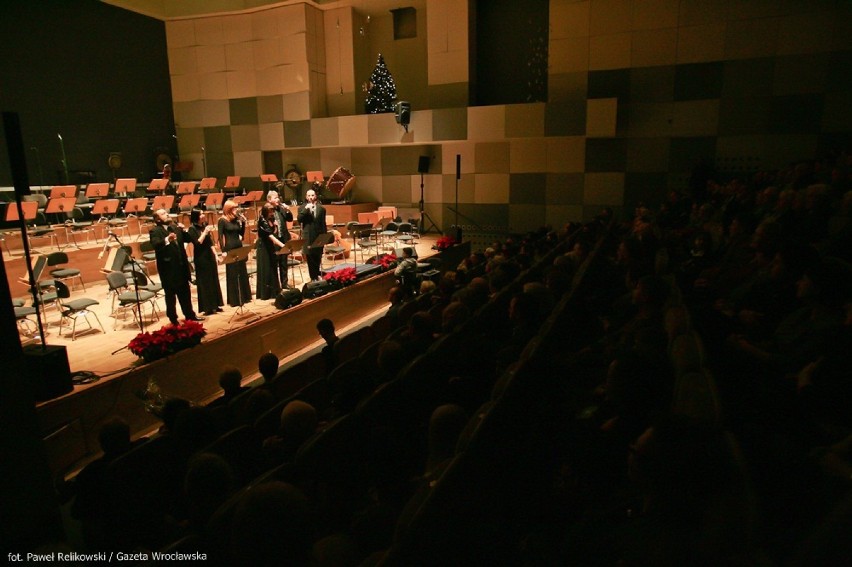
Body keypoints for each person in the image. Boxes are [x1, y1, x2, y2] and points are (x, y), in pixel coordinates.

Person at [149, 208, 204, 325]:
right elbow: (156, 245)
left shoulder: (174, 227)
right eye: (163, 214)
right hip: (168, 270)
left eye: (166, 212)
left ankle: (190, 315)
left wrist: (184, 230)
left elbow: (190, 239)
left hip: (181, 267)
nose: (167, 214)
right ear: (158, 219)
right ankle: (173, 319)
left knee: (185, 294)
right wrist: (167, 239)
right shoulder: (155, 231)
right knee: (171, 297)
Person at [188, 209, 223, 316]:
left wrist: (216, 255)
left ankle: (216, 305)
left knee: (213, 279)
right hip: (200, 257)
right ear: (197, 216)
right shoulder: (192, 229)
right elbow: (197, 243)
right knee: (205, 282)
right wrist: (205, 232)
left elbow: (210, 242)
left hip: (209, 255)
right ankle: (207, 307)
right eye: (201, 214)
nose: (204, 215)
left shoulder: (205, 225)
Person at [218, 199, 252, 307]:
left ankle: (244, 296)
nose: (236, 210)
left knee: (241, 271)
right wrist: (223, 251)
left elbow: (241, 233)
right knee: (233, 273)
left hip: (238, 246)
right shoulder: (222, 220)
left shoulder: (236, 219)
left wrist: (243, 222)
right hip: (230, 248)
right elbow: (220, 237)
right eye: (234, 208)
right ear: (228, 209)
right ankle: (235, 299)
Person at [256, 203, 287, 300]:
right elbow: (270, 236)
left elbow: (273, 232)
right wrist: (282, 245)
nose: (272, 213)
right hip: (263, 247)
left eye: (273, 211)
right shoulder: (262, 220)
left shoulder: (271, 219)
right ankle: (266, 293)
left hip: (270, 245)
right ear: (266, 212)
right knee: (266, 268)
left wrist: (276, 227)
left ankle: (274, 291)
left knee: (273, 267)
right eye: (270, 212)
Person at [297, 188, 327, 281]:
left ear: (315, 196)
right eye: (309, 195)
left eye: (312, 195)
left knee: (317, 256)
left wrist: (324, 238)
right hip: (308, 236)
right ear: (306, 197)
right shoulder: (302, 208)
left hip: (318, 236)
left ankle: (317, 273)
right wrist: (306, 209)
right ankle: (313, 277)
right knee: (310, 257)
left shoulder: (321, 209)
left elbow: (323, 223)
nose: (311, 197)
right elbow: (300, 219)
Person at [266, 190, 294, 286]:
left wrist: (287, 210)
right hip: (274, 240)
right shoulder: (267, 210)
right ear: (269, 200)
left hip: (283, 238)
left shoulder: (281, 208)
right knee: (274, 262)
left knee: (283, 262)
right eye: (275, 198)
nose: (278, 199)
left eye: (278, 197)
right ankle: (276, 286)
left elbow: (289, 219)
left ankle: (284, 283)